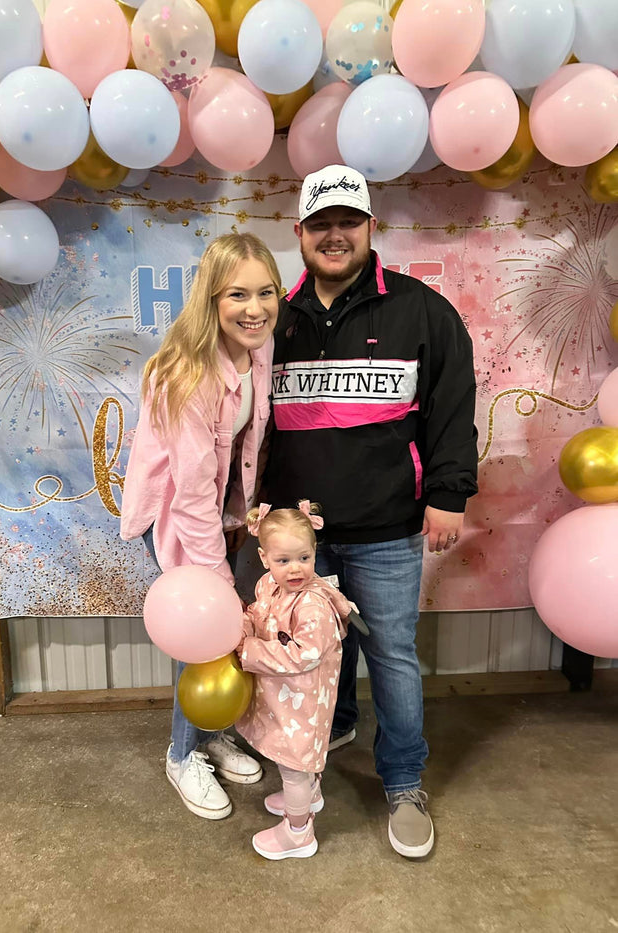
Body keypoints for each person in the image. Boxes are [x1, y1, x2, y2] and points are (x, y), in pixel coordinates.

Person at [263, 164, 479, 858]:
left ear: (369, 229)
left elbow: (452, 407)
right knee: (311, 651)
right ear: (298, 233)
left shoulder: (421, 310)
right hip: (299, 538)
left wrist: (448, 495)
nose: (335, 235)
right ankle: (333, 730)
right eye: (320, 224)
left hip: (387, 525)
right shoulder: (274, 320)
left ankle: (404, 780)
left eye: (347, 222)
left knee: (390, 652)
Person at [120, 232, 282, 820]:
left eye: (266, 293)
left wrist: (242, 515)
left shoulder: (255, 352)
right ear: (210, 299)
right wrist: (215, 574)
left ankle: (211, 729)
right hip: (175, 516)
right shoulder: (184, 372)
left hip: (219, 513)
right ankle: (182, 753)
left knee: (227, 635)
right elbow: (188, 489)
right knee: (206, 634)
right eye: (237, 294)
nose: (255, 308)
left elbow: (243, 453)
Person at [235, 501, 352, 860]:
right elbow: (258, 613)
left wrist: (248, 651)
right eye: (283, 560)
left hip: (304, 704)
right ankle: (309, 795)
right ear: (264, 557)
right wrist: (241, 627)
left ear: (315, 551)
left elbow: (304, 654)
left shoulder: (312, 606)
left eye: (304, 558)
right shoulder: (270, 585)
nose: (295, 569)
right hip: (284, 696)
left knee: (295, 766)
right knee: (292, 761)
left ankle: (298, 832)